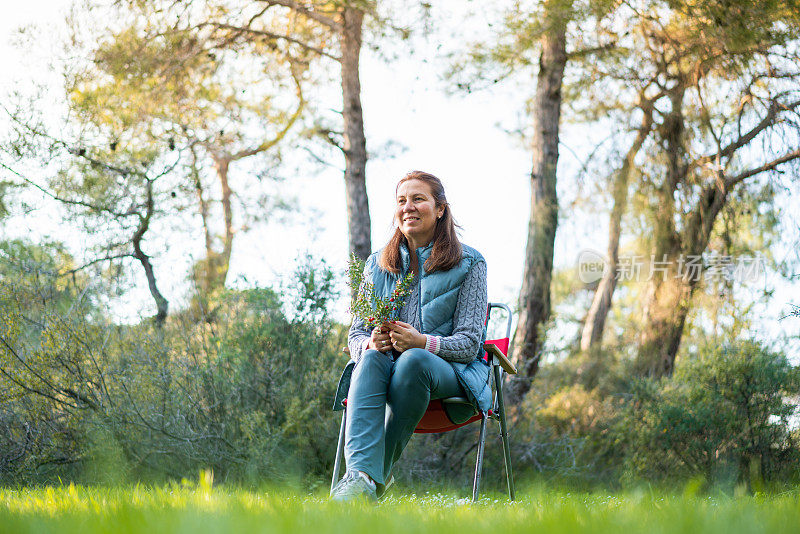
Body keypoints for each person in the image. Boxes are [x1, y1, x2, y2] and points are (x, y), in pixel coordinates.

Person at [330, 170, 490, 501]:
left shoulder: (470, 262)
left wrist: (422, 342)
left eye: (418, 199)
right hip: (385, 373)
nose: (408, 207)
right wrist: (371, 342)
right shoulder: (377, 264)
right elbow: (356, 334)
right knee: (372, 357)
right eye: (402, 201)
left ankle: (365, 483)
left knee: (415, 359)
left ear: (441, 208)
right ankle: (361, 480)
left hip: (450, 375)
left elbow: (469, 344)